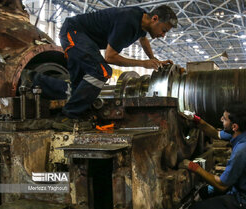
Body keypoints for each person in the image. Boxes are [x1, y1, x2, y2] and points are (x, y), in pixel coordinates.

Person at [21, 5, 178, 130]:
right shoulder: (128, 21)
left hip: (85, 40)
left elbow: (143, 39)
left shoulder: (142, 20)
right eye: (164, 30)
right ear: (155, 18)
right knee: (101, 71)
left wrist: (154, 59)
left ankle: (33, 80)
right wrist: (143, 64)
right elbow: (109, 57)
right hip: (73, 32)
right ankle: (67, 117)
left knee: (78, 89)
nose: (163, 35)